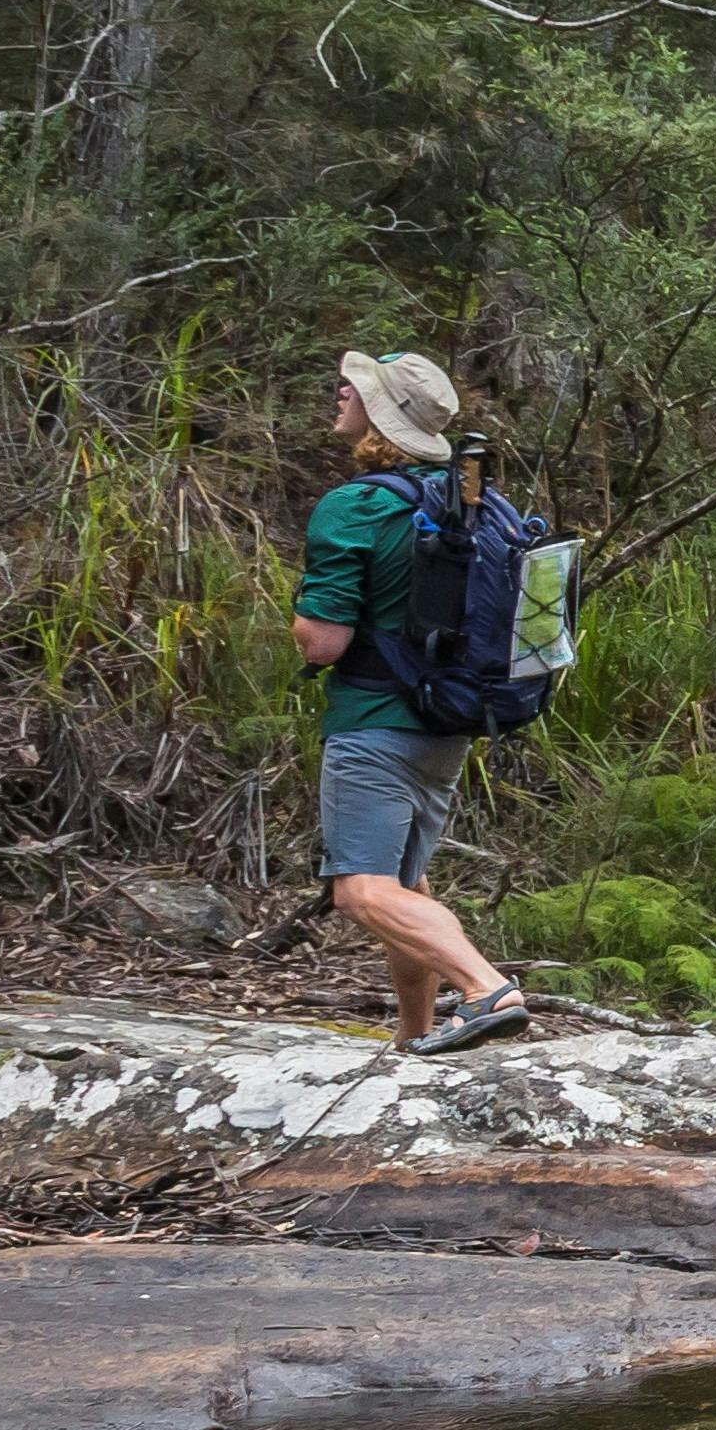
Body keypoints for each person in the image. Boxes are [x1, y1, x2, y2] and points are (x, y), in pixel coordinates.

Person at [292, 348, 537, 1054]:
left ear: (381, 415)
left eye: (356, 388)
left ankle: (488, 989)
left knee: (363, 892)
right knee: (406, 883)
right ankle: (412, 1038)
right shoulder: (478, 503)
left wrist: (301, 617)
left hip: (374, 725)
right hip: (448, 726)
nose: (341, 390)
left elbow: (323, 644)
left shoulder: (357, 505)